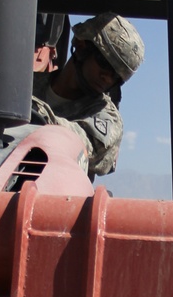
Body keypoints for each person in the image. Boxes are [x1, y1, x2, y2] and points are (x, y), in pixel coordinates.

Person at [30, 12, 144, 176]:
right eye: (104, 63)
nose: (108, 78)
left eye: (117, 77)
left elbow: (77, 143)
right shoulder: (27, 84)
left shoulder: (106, 117)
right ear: (81, 44)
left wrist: (30, 112)